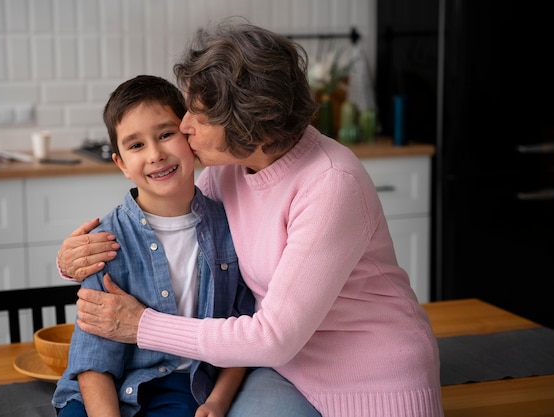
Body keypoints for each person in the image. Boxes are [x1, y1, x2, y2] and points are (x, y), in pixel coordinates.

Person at [57, 18, 445, 417]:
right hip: (285, 369)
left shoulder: (331, 183)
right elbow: (174, 223)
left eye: (200, 117)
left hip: (370, 382)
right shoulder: (229, 167)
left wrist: (142, 325)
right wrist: (79, 254)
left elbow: (272, 337)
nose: (184, 125)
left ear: (248, 128)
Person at [52, 74, 255, 417]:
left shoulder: (230, 228)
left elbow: (242, 329)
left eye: (165, 134)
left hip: (181, 384)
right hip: (100, 388)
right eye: (136, 145)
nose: (155, 154)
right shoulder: (105, 241)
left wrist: (218, 402)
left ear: (189, 136)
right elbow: (93, 359)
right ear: (121, 165)